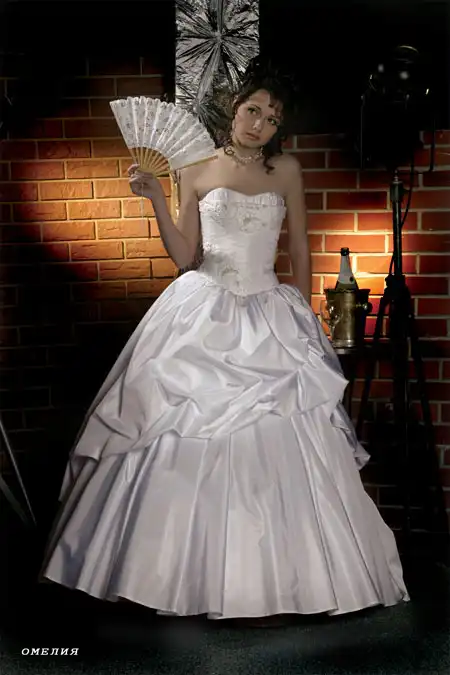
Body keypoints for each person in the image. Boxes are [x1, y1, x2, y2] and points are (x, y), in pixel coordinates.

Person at [39, 57, 409, 623]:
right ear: (234, 109)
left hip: (269, 307)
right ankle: (166, 577)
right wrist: (156, 198)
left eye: (272, 118)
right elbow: (185, 256)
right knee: (173, 424)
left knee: (286, 428)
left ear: (279, 128)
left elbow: (300, 247)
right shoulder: (194, 168)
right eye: (253, 110)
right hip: (202, 306)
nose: (259, 124)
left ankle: (291, 581)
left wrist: (303, 316)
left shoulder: (285, 170)